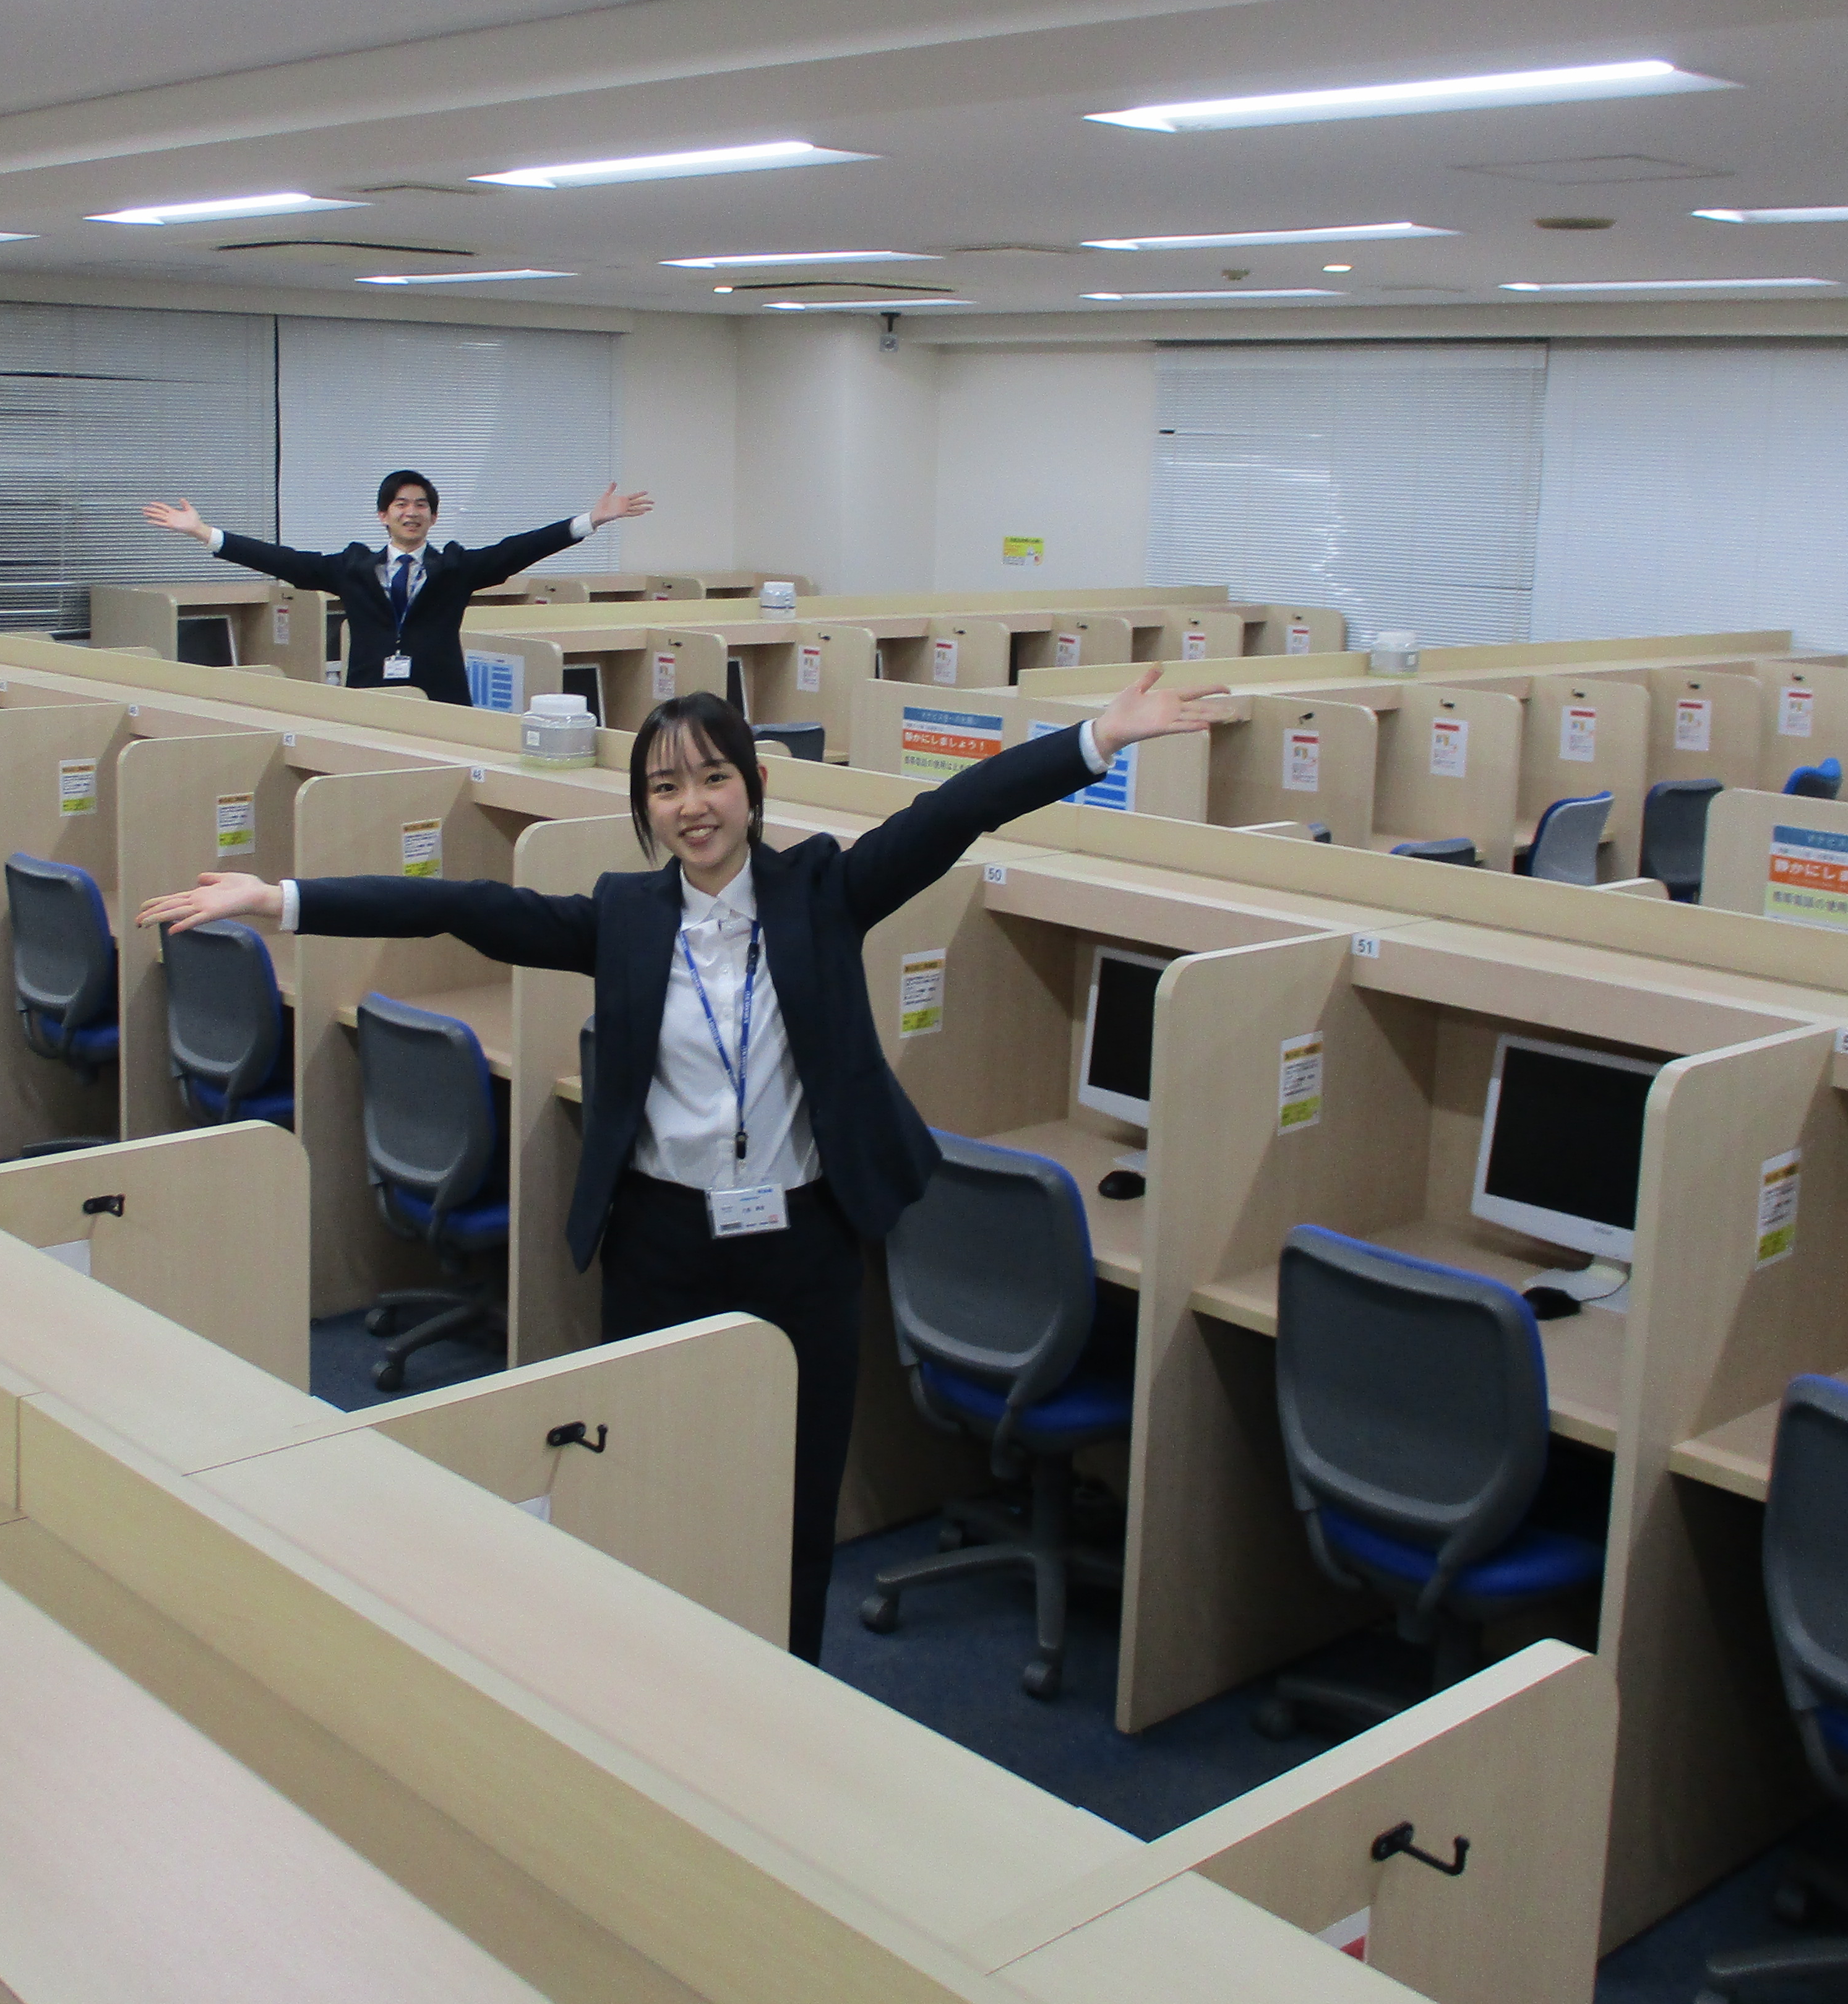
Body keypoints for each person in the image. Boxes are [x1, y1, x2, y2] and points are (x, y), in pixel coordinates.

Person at [137, 665, 1221, 1662]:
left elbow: (956, 811)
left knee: (795, 1490)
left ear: (753, 787)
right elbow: (463, 909)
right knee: (654, 1473)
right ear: (645, 810)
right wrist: (280, 900)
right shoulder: (624, 916)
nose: (691, 804)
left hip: (801, 1243)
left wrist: (1098, 738)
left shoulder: (824, 891)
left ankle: (787, 1681)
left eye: (711, 778)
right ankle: (655, 1674)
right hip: (661, 1242)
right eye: (664, 787)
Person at [144, 471, 652, 704]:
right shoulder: (352, 568)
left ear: (433, 517)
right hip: (370, 698)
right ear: (383, 516)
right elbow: (284, 561)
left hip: (442, 700)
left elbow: (519, 550)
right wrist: (205, 534)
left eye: (421, 505)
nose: (412, 513)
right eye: (401, 505)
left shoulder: (455, 569)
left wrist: (590, 521)